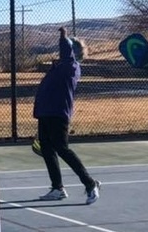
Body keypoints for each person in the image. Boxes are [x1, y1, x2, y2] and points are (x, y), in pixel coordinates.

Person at [33, 27, 100, 204]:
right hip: (46, 113)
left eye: (66, 48)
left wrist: (63, 35)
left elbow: (65, 48)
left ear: (72, 52)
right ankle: (57, 188)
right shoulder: (61, 67)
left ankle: (90, 184)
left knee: (62, 149)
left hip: (58, 114)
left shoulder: (71, 66)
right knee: (47, 149)